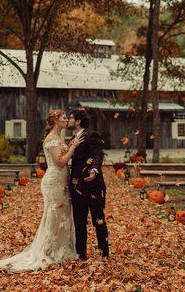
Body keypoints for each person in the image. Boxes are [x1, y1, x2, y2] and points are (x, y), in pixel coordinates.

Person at [0, 109, 84, 272]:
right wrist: (73, 148)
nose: (66, 120)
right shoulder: (51, 139)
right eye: (64, 118)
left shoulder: (59, 138)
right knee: (53, 215)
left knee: (62, 215)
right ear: (56, 121)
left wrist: (70, 146)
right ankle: (48, 251)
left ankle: (61, 249)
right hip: (54, 182)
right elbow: (60, 162)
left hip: (62, 181)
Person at [68, 109, 109, 260]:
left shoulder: (91, 135)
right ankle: (81, 254)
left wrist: (94, 170)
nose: (68, 120)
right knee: (79, 222)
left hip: (93, 186)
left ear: (78, 121)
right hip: (76, 187)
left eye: (71, 118)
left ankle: (104, 252)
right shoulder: (72, 138)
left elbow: (98, 154)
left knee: (98, 220)